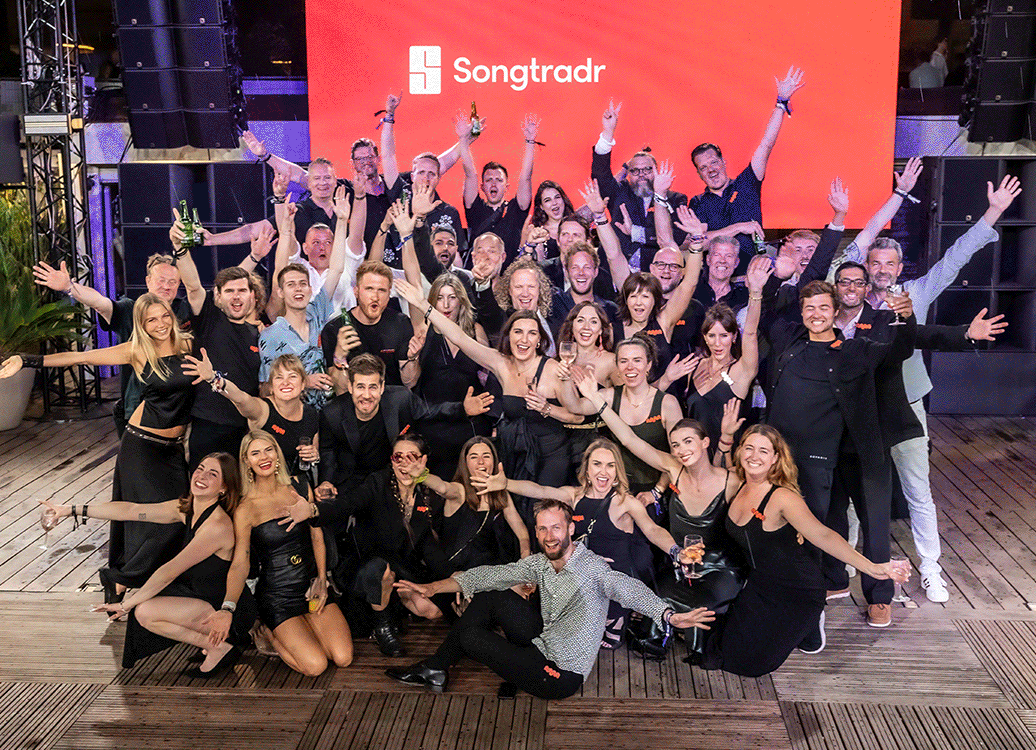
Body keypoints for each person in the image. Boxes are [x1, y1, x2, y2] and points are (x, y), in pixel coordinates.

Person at [835, 170, 1022, 604]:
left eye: (889, 265)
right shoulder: (847, 299)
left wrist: (992, 213)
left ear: (900, 269)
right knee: (854, 492)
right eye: (874, 264)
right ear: (865, 267)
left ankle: (931, 568)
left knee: (918, 490)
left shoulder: (914, 293)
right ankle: (846, 562)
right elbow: (854, 248)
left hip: (907, 404)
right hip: (859, 409)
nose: (881, 270)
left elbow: (954, 259)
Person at [384, 498, 715, 698]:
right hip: (541, 641)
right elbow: (489, 576)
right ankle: (437, 669)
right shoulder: (541, 563)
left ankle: (466, 669)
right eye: (542, 529)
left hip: (559, 673)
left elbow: (627, 588)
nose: (548, 536)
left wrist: (668, 615)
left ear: (571, 529)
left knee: (470, 636)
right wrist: (433, 588)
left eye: (556, 528)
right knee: (492, 595)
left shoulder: (593, 569)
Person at [1, 294, 194, 601]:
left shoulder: (188, 345)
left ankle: (145, 584)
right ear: (141, 325)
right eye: (151, 320)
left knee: (182, 517)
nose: (160, 324)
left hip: (172, 449)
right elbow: (82, 358)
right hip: (142, 447)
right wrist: (27, 360)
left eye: (164, 316)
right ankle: (121, 580)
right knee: (155, 521)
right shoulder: (137, 350)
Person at [763, 279, 916, 627]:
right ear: (801, 312)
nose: (816, 314)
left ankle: (878, 597)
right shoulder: (790, 340)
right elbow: (769, 311)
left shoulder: (853, 349)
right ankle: (831, 583)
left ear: (835, 312)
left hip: (844, 453)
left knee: (862, 524)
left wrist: (907, 319)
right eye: (809, 308)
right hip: (790, 455)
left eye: (823, 307)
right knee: (820, 521)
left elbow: (899, 350)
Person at [698, 424, 909, 676]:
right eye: (749, 448)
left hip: (797, 590)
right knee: (726, 651)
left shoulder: (782, 497)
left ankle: (811, 621)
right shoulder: (736, 481)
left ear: (775, 458)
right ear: (740, 451)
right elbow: (704, 471)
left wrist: (872, 567)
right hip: (759, 584)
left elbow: (823, 535)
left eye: (763, 451)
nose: (754, 456)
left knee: (750, 666)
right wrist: (724, 436)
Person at [572, 374, 747, 660]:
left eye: (688, 442)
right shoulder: (673, 468)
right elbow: (628, 439)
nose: (681, 450)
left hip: (720, 564)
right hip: (681, 562)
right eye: (675, 445)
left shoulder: (731, 480)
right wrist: (594, 398)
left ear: (705, 442)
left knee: (703, 604)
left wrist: (727, 439)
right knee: (658, 599)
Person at [47, 453, 256, 675]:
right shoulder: (186, 509)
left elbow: (170, 571)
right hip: (199, 595)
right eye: (200, 468)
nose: (201, 476)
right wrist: (70, 509)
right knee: (144, 605)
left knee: (145, 611)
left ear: (224, 488)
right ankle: (217, 647)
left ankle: (222, 645)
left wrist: (125, 605)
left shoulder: (217, 526)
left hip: (225, 609)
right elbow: (131, 511)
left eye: (212, 474)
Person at [396, 279, 581, 520]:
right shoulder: (501, 363)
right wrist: (423, 305)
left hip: (550, 455)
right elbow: (460, 337)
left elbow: (577, 416)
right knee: (514, 514)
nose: (524, 339)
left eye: (531, 333)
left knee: (544, 513)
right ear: (508, 336)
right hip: (514, 452)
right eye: (518, 332)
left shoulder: (554, 369)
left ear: (539, 340)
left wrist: (546, 408)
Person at [474, 438, 680, 648]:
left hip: (615, 578)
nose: (604, 471)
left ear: (617, 471)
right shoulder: (574, 496)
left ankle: (616, 617)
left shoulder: (625, 502)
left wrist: (676, 551)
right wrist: (506, 484)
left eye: (610, 465)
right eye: (597, 464)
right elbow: (540, 490)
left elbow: (653, 530)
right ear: (587, 470)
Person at [212, 430, 353, 677]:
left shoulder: (300, 485)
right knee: (316, 666)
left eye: (269, 450)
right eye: (255, 453)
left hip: (310, 585)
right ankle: (269, 634)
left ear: (277, 453)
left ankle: (303, 628)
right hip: (278, 596)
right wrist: (227, 607)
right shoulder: (245, 508)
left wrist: (322, 580)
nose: (264, 457)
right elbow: (240, 563)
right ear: (246, 460)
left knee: (343, 658)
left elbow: (316, 536)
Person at [33, 252, 191, 434]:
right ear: (148, 281)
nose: (166, 286)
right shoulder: (129, 309)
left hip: (182, 409)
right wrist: (70, 288)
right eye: (161, 280)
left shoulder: (187, 310)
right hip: (139, 410)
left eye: (172, 282)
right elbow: (100, 303)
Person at [316, 353, 493, 498]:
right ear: (350, 387)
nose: (367, 395)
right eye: (361, 387)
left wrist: (462, 408)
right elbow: (327, 451)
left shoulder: (399, 399)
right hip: (351, 479)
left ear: (382, 387)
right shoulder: (332, 412)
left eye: (373, 387)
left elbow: (430, 411)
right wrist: (326, 481)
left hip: (392, 475)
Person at [688, 67, 805, 271]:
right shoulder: (698, 203)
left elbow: (766, 144)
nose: (711, 170)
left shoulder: (747, 183)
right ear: (699, 174)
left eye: (713, 162)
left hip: (755, 275)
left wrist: (781, 102)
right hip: (718, 277)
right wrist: (738, 228)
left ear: (723, 162)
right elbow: (699, 243)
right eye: (703, 167)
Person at [170, 213, 264, 466]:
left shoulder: (260, 333)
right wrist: (180, 250)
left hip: (245, 428)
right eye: (229, 291)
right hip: (208, 424)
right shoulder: (209, 317)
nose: (236, 296)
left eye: (242, 290)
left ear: (252, 295)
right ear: (219, 297)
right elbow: (193, 286)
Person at [657, 255, 770, 452]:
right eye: (712, 336)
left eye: (724, 335)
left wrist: (755, 292)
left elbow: (751, 332)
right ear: (705, 337)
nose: (717, 343)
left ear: (734, 337)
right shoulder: (695, 366)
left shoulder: (742, 370)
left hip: (726, 458)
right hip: (693, 457)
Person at [399, 266, 493, 479]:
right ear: (432, 302)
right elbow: (409, 382)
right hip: (434, 422)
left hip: (470, 424)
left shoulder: (475, 331)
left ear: (461, 301)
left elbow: (489, 376)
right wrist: (413, 357)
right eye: (440, 298)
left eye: (452, 297)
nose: (447, 304)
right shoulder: (423, 330)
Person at [558, 336, 682, 496]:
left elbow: (677, 456)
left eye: (637, 360)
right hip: (616, 490)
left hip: (655, 490)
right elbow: (575, 406)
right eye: (623, 361)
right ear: (617, 366)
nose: (630, 367)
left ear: (648, 365)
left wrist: (656, 492)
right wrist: (565, 378)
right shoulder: (609, 396)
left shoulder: (667, 403)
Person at [183, 351, 320, 483]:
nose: (286, 382)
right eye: (279, 377)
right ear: (271, 387)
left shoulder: (311, 414)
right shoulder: (262, 410)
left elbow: (313, 449)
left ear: (303, 384)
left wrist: (314, 455)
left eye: (292, 376)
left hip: (297, 484)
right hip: (262, 488)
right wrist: (214, 379)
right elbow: (240, 398)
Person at [590, 100, 687, 270]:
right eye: (635, 170)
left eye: (647, 169)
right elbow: (601, 174)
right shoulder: (619, 192)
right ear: (628, 174)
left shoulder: (676, 199)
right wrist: (608, 133)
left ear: (657, 171)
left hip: (654, 275)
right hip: (615, 272)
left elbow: (676, 237)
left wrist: (635, 232)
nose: (641, 174)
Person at [612, 238, 702, 384]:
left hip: (667, 396)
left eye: (645, 297)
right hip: (631, 398)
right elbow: (614, 256)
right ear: (626, 299)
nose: (639, 302)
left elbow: (689, 284)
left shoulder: (663, 322)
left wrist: (697, 242)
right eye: (634, 296)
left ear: (655, 300)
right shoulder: (612, 330)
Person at [320, 260, 414, 387]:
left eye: (382, 290)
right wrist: (340, 357)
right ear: (356, 291)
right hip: (354, 397)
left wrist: (412, 359)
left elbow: (410, 383)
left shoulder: (401, 323)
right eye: (369, 289)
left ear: (389, 294)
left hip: (391, 395)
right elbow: (339, 389)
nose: (375, 297)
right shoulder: (334, 329)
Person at [458, 113, 539, 261]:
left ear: (507, 186)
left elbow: (526, 177)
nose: (494, 183)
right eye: (489, 180)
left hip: (509, 273)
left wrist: (530, 142)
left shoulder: (516, 210)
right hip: (478, 272)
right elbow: (470, 174)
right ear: (482, 187)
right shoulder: (475, 209)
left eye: (499, 180)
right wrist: (463, 140)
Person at [547, 240, 620, 338]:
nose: (581, 273)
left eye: (587, 267)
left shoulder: (611, 310)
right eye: (575, 267)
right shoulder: (553, 303)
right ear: (567, 272)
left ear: (596, 272)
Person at [520, 180, 575, 258]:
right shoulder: (537, 234)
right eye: (547, 200)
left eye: (557, 197)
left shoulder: (577, 224)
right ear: (541, 206)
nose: (554, 203)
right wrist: (525, 243)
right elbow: (526, 262)